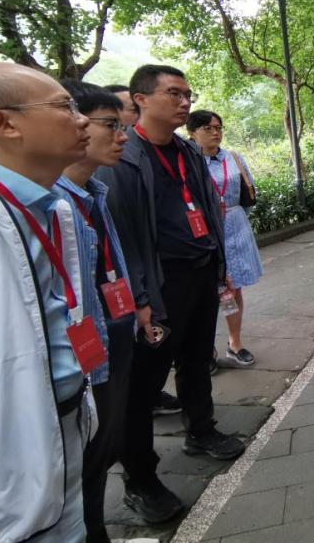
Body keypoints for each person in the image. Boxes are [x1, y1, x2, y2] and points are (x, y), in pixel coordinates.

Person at [97, 64, 243, 525]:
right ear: (141, 99)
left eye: (187, 94)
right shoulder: (123, 157)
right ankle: (140, 480)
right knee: (142, 387)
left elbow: (207, 210)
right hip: (158, 288)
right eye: (174, 94)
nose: (184, 102)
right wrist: (140, 298)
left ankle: (201, 430)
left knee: (198, 359)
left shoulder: (186, 150)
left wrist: (219, 264)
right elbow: (122, 237)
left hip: (199, 272)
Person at [0, 62, 93, 542]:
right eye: (65, 107)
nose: (82, 119)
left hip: (64, 424)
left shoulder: (53, 206)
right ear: (3, 123)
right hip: (0, 462)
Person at [54, 81, 147, 543]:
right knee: (84, 458)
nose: (122, 134)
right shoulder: (49, 204)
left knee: (102, 449)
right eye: (111, 124)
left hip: (113, 335)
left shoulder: (93, 193)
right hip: (83, 354)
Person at [107, 83, 180, 416]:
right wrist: (139, 296)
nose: (122, 132)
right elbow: (128, 239)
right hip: (135, 292)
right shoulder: (113, 171)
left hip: (158, 280)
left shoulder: (176, 151)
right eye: (110, 122)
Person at [187, 110, 263, 367]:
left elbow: (248, 190)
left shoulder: (233, 157)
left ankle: (235, 343)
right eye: (207, 128)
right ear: (192, 132)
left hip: (235, 225)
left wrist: (233, 215)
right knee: (206, 292)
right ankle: (205, 350)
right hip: (205, 231)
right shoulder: (188, 162)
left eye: (218, 127)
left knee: (235, 287)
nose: (215, 132)